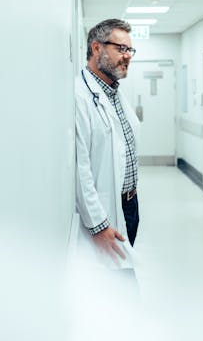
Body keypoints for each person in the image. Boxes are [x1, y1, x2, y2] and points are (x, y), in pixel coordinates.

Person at [74, 18, 140, 271]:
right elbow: (81, 169)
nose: (127, 56)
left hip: (129, 204)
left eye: (129, 50)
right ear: (96, 48)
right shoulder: (80, 95)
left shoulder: (113, 91)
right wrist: (98, 224)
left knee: (124, 271)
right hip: (106, 207)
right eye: (120, 48)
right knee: (116, 285)